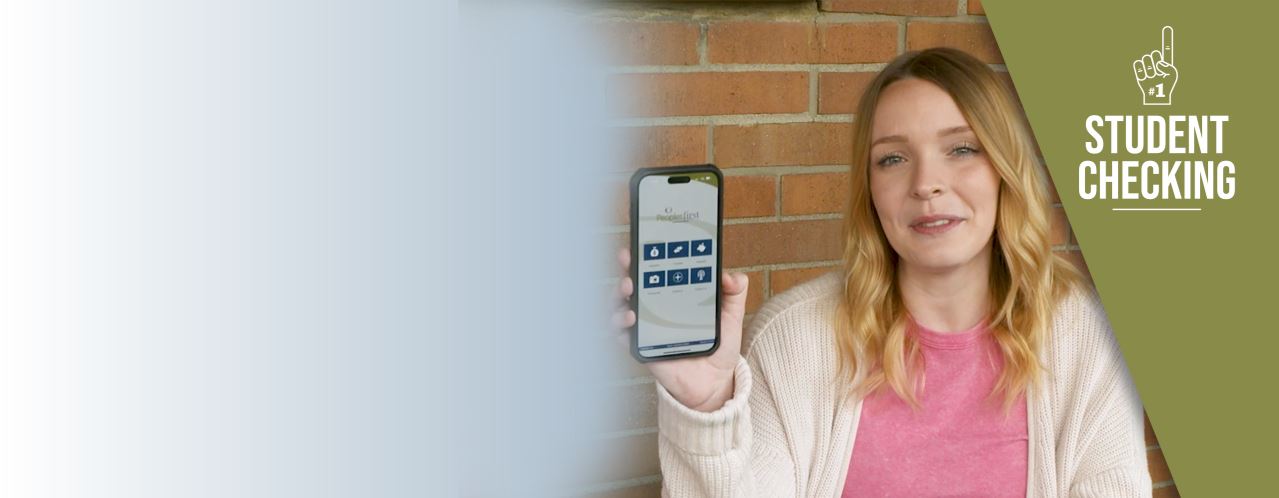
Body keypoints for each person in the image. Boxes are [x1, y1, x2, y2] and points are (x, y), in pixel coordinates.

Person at [612, 47, 1152, 497]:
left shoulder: (1085, 337)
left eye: (961, 149)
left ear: (1005, 170)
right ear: (870, 190)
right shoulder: (795, 339)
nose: (926, 183)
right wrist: (706, 409)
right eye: (893, 159)